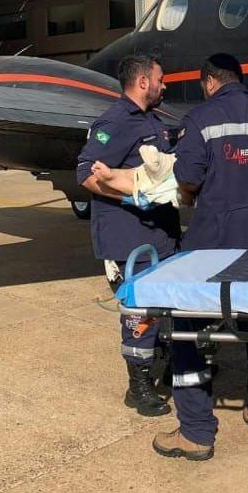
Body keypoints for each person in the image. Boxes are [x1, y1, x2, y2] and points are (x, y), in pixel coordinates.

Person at [152, 53, 248, 462]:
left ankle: (197, 432)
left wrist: (201, 190)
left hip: (215, 249)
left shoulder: (201, 120)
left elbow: (188, 179)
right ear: (239, 79)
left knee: (185, 330)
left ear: (208, 82)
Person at [76, 55, 180, 417]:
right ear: (142, 83)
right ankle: (138, 386)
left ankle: (166, 369)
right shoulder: (114, 121)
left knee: (167, 306)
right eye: (160, 78)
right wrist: (130, 196)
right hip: (129, 237)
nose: (164, 85)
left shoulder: (153, 120)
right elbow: (86, 174)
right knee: (139, 312)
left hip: (161, 235)